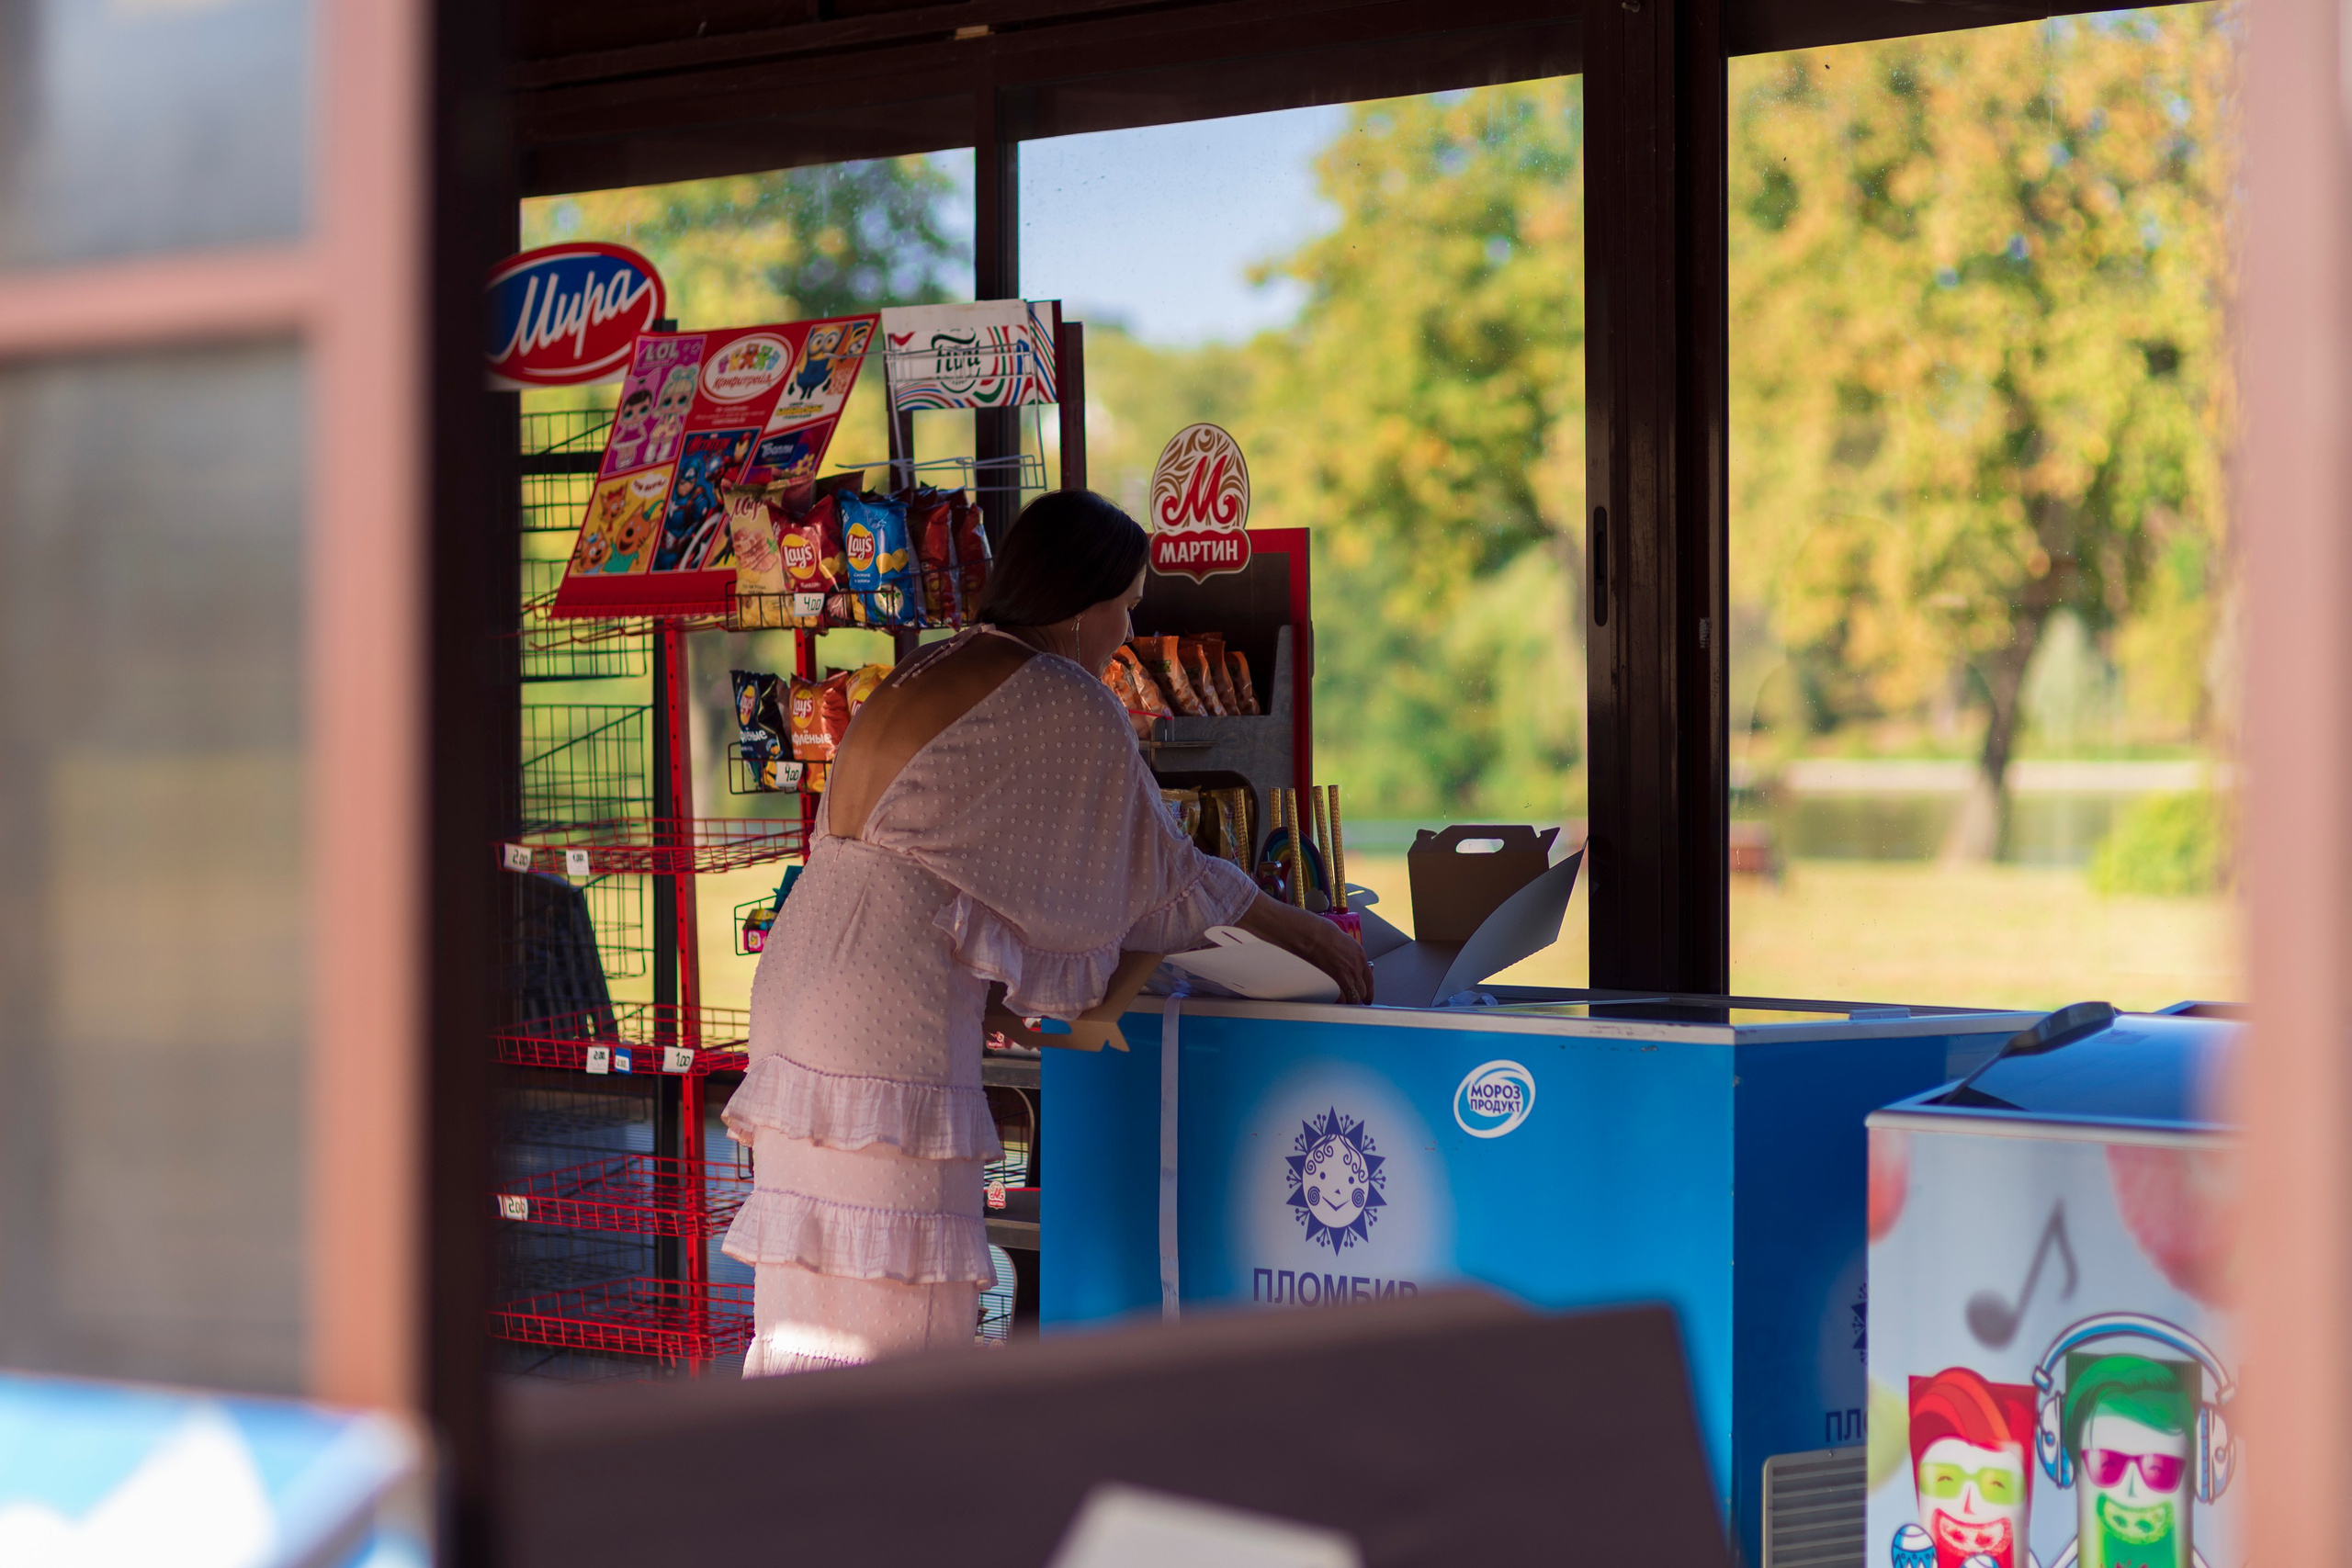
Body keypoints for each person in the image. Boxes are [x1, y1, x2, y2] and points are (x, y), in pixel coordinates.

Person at [721, 490, 1372, 1376]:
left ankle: (796, 1500)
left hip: (803, 979)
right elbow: (1164, 873)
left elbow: (971, 870)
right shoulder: (1062, 696)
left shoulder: (936, 664)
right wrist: (1313, 933)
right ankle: (881, 1504)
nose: (1130, 624)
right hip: (881, 1005)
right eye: (1129, 602)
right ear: (1080, 605)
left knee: (816, 1290)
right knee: (898, 1302)